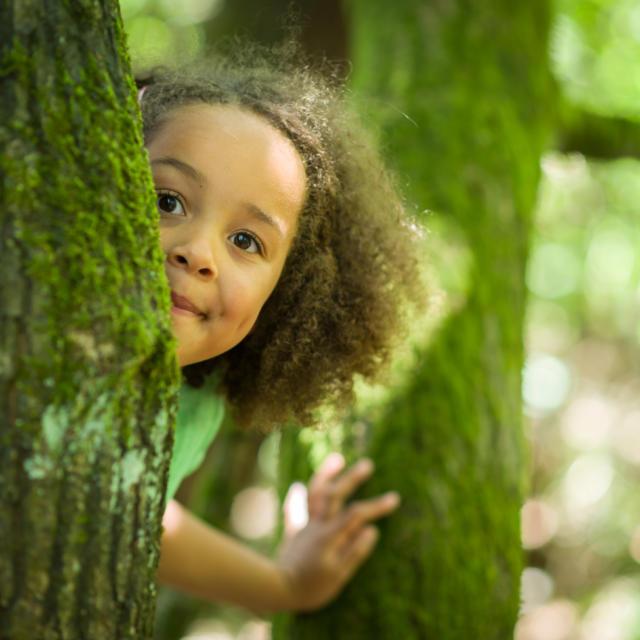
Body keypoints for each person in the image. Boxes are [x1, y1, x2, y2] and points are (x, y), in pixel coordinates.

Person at [135, 45, 423, 615]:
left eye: (246, 241)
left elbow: (138, 511)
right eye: (168, 201)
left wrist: (284, 586)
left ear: (285, 298)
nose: (197, 253)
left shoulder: (194, 406)